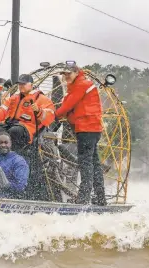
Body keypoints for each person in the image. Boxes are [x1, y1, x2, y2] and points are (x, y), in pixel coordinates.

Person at [0, 73, 56, 165]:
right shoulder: (13, 98)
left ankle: (10, 162)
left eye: (23, 84)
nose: (21, 86)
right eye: (19, 84)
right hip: (10, 125)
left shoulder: (42, 99)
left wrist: (39, 111)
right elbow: (1, 112)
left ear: (31, 85)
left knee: (14, 131)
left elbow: (50, 117)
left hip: (27, 130)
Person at [54, 61, 106, 206]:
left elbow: (67, 105)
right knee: (94, 164)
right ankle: (100, 198)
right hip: (93, 129)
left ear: (77, 72)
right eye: (64, 74)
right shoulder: (82, 84)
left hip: (86, 129)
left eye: (69, 73)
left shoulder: (81, 85)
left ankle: (83, 198)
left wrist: (53, 115)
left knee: (85, 164)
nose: (66, 76)